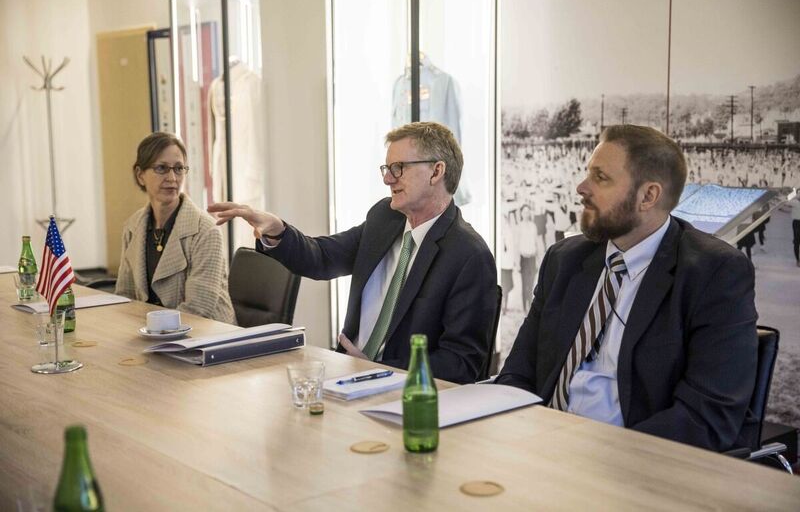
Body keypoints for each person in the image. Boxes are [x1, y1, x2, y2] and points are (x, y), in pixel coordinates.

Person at [497, 125, 758, 452]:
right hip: (542, 447)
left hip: (634, 462)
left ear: (648, 196)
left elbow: (706, 417)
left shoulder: (714, 274)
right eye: (586, 174)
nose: (581, 188)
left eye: (600, 178)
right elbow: (518, 373)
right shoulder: (564, 260)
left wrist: (605, 453)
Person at [209, 122, 496, 383]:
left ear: (436, 171)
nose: (388, 180)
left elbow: (461, 363)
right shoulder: (385, 217)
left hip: (403, 393)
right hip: (347, 376)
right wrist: (277, 231)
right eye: (387, 169)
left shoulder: (469, 255)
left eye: (399, 168)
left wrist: (381, 370)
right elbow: (322, 258)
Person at [116, 132, 236, 324]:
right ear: (140, 175)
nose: (172, 178)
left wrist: (149, 332)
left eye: (179, 168)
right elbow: (126, 296)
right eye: (162, 168)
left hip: (206, 337)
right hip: (153, 334)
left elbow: (198, 310)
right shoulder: (132, 226)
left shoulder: (206, 231)